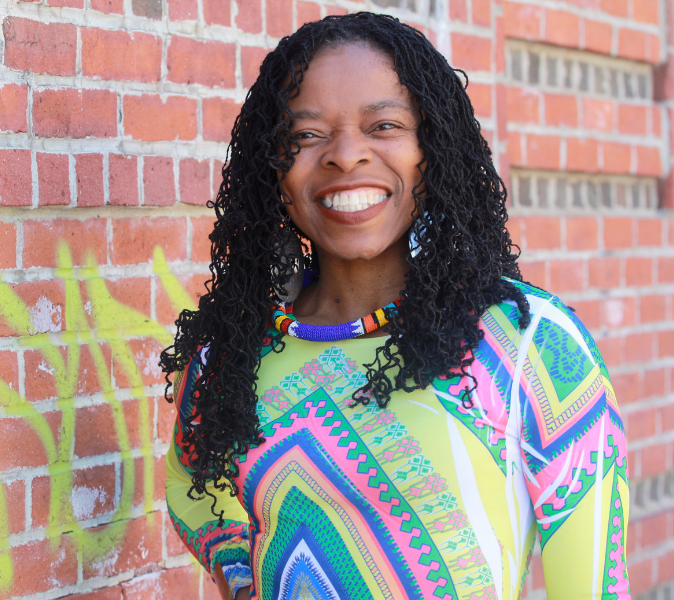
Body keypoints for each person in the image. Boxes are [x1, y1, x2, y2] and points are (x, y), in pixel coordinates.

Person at [161, 12, 629, 600]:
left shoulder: (527, 345)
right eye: (306, 135)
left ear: (429, 151)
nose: (345, 155)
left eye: (384, 125)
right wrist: (240, 575)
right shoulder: (230, 357)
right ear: (273, 170)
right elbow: (189, 484)